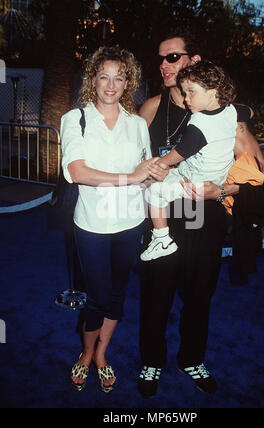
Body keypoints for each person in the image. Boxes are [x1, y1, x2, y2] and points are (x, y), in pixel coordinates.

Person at [137, 28, 264, 397]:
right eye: (161, 57)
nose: (164, 64)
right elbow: (133, 163)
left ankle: (192, 358)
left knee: (199, 294)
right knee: (156, 293)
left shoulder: (227, 117)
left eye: (173, 56)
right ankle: (151, 360)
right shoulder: (151, 107)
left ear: (194, 62)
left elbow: (257, 177)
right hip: (165, 216)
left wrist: (221, 189)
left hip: (207, 216)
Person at [61, 46, 165, 393]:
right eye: (103, 76)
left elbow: (146, 172)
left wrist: (170, 179)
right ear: (93, 79)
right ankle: (86, 351)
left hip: (131, 222)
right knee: (97, 297)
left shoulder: (137, 124)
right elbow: (78, 172)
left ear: (128, 82)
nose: (111, 84)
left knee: (118, 293)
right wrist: (131, 178)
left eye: (119, 77)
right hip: (91, 225)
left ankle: (102, 353)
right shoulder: (75, 119)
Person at [140, 61, 253, 261]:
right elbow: (250, 112)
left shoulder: (199, 122)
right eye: (184, 93)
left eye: (191, 92)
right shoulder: (231, 111)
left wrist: (161, 162)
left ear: (213, 92)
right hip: (218, 177)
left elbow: (181, 152)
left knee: (154, 192)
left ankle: (161, 239)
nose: (186, 99)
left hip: (196, 181)